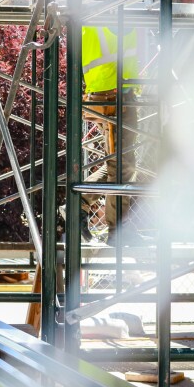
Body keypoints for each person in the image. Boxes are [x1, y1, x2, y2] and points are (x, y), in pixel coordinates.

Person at [80, 26, 141, 246]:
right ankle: (117, 233)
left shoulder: (92, 23)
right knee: (122, 167)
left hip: (111, 95)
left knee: (121, 164)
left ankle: (79, 203)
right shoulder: (111, 15)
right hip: (113, 98)